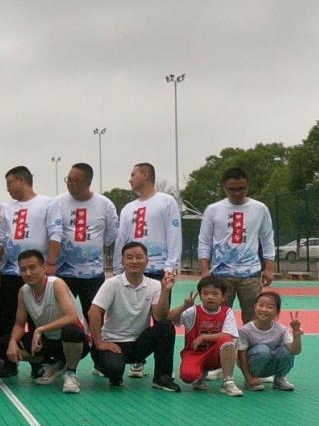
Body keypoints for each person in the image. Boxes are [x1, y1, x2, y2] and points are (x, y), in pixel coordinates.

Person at [113, 162, 181, 379]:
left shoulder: (166, 202)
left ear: (145, 175)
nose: (130, 179)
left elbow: (174, 233)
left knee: (161, 319)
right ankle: (137, 360)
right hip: (133, 272)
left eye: (133, 174)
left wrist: (171, 265)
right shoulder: (128, 208)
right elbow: (121, 240)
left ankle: (163, 370)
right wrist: (117, 268)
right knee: (134, 316)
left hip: (159, 270)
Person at [88, 242, 180, 392]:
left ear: (147, 261)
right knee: (114, 370)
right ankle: (106, 367)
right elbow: (94, 312)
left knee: (166, 326)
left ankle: (162, 377)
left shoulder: (155, 285)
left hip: (138, 344)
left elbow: (159, 316)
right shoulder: (112, 284)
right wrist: (99, 343)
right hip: (113, 343)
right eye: (129, 257)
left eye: (139, 257)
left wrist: (165, 291)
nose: (134, 261)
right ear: (122, 261)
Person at [0, 166, 56, 377]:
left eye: (9, 183)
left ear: (21, 180)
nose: (7, 188)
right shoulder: (7, 210)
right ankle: (6, 361)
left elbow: (55, 234)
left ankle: (39, 361)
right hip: (11, 272)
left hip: (37, 274)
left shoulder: (47, 204)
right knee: (8, 318)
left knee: (38, 319)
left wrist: (51, 263)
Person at [197, 166, 275, 324]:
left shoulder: (260, 209)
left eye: (242, 188)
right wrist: (205, 270)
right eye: (232, 189)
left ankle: (251, 342)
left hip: (251, 275)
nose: (237, 193)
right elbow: (204, 240)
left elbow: (267, 239)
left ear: (248, 185)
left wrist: (269, 268)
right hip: (221, 274)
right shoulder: (213, 210)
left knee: (254, 320)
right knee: (218, 319)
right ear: (224, 188)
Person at [5, 250, 86, 393]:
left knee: (71, 331)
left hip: (76, 341)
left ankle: (71, 372)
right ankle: (53, 364)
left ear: (43, 268)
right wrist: (12, 342)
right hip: (50, 340)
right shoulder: (23, 291)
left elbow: (71, 317)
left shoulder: (56, 284)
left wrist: (40, 329)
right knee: (9, 344)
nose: (28, 273)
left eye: (32, 267)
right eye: (23, 269)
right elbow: (19, 324)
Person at [47, 162, 118, 319]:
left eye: (75, 181)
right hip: (64, 274)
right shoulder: (57, 203)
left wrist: (92, 247)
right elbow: (53, 232)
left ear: (88, 182)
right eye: (68, 179)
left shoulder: (105, 204)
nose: (70, 184)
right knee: (62, 316)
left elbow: (111, 235)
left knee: (93, 316)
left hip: (93, 275)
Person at [167, 276, 243, 396]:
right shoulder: (193, 311)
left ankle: (228, 381)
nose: (210, 297)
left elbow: (228, 334)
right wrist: (184, 306)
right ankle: (200, 374)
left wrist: (203, 337)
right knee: (187, 376)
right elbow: (170, 318)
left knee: (228, 340)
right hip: (195, 353)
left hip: (215, 354)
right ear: (200, 296)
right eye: (205, 293)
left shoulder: (227, 312)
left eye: (215, 293)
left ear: (223, 297)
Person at [237, 291, 302, 391]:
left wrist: (296, 334)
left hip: (270, 365)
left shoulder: (282, 330)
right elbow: (241, 355)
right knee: (262, 350)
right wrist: (248, 377)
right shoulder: (245, 330)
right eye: (261, 305)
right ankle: (252, 380)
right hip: (252, 366)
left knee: (286, 351)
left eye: (270, 307)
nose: (264, 309)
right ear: (255, 307)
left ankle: (280, 379)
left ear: (277, 311)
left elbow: (295, 351)